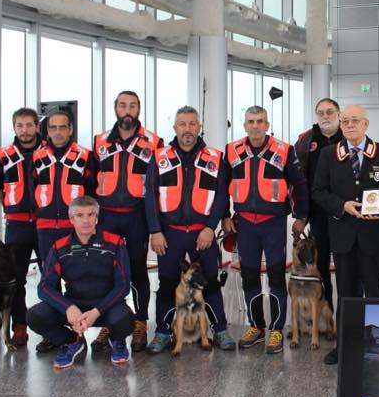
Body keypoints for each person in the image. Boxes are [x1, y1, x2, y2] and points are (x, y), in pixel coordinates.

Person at [311, 104, 379, 365]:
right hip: (343, 235)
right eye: (345, 121)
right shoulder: (329, 155)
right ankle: (344, 346)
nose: (349, 125)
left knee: (375, 290)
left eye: (355, 121)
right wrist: (342, 205)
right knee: (346, 293)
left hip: (373, 234)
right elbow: (318, 191)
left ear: (366, 124)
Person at [144, 106, 236, 353]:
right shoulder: (159, 156)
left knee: (211, 283)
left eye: (192, 124)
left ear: (199, 127)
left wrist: (209, 228)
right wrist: (154, 230)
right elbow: (150, 197)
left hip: (201, 234)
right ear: (174, 127)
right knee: (166, 283)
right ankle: (163, 332)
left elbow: (220, 198)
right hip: (169, 234)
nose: (187, 129)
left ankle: (221, 330)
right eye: (182, 124)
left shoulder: (215, 158)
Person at [225, 105, 308, 355]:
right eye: (251, 121)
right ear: (245, 125)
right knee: (249, 277)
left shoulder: (284, 151)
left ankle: (276, 330)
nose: (255, 126)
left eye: (260, 121)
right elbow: (220, 186)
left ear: (267, 125)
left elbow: (300, 185)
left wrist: (301, 217)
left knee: (275, 278)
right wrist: (222, 217)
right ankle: (256, 327)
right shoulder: (232, 151)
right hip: (245, 225)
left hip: (273, 225)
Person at [90, 91, 164, 353]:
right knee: (107, 270)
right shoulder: (99, 141)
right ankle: (108, 322)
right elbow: (91, 181)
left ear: (139, 109)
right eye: (123, 105)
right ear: (115, 109)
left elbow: (157, 186)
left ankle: (140, 321)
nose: (127, 110)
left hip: (136, 215)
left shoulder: (154, 142)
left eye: (132, 105)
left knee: (136, 270)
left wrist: (155, 227)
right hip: (107, 215)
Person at [26, 196, 134, 369]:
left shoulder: (114, 242)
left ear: (97, 218)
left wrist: (96, 312)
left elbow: (123, 286)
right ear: (71, 219)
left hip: (106, 307)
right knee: (35, 316)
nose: (86, 220)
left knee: (126, 320)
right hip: (74, 308)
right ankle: (72, 341)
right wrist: (68, 308)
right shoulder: (59, 247)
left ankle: (117, 340)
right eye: (80, 215)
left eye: (91, 215)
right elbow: (44, 287)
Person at [31, 109, 96, 353]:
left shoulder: (85, 156)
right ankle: (59, 333)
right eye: (53, 128)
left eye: (63, 127)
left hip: (75, 229)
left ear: (70, 130)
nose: (58, 132)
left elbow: (91, 193)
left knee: (79, 277)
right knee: (49, 281)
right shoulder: (37, 157)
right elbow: (32, 191)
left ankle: (83, 323)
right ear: (47, 131)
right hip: (46, 228)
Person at [0, 107, 42, 348]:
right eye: (20, 125)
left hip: (45, 224)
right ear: (14, 128)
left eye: (29, 125)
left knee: (52, 276)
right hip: (17, 225)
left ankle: (55, 327)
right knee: (17, 279)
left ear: (37, 127)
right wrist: (14, 207)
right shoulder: (3, 155)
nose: (25, 130)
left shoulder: (48, 152)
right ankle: (19, 326)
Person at [294, 98, 344, 308]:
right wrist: (301, 216)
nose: (325, 116)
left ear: (339, 114)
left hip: (346, 214)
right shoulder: (305, 141)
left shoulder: (349, 136)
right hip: (318, 216)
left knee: (346, 269)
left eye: (330, 112)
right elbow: (297, 182)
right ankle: (326, 315)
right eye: (321, 113)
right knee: (320, 267)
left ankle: (347, 316)